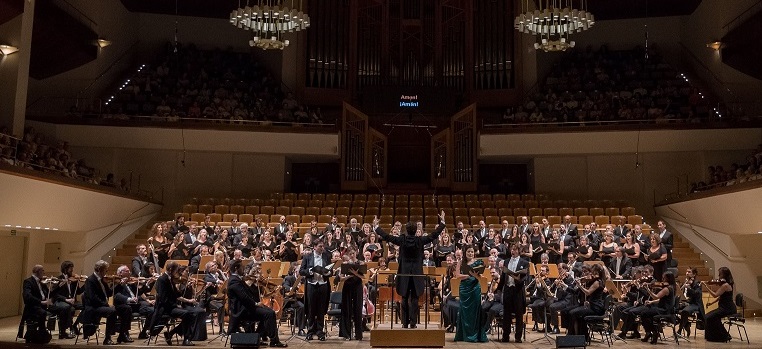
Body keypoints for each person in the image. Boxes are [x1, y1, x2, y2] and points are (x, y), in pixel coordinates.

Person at [374, 211, 446, 329]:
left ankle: (404, 323)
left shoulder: (402, 240)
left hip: (404, 273)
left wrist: (376, 227)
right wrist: (442, 223)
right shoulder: (420, 240)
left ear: (406, 230)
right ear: (415, 230)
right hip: (417, 274)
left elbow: (387, 236)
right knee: (415, 298)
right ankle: (413, 323)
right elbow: (434, 235)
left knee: (404, 297)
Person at [227, 260, 288, 347]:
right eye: (242, 267)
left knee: (269, 311)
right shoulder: (234, 280)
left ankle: (256, 337)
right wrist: (255, 304)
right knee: (269, 314)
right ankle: (274, 341)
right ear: (236, 268)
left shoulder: (237, 279)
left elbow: (247, 294)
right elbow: (244, 297)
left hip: (246, 308)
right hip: (242, 311)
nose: (243, 269)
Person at [147, 260, 200, 346]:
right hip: (164, 308)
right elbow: (163, 299)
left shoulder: (169, 279)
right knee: (188, 314)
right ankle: (185, 338)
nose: (177, 273)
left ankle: (172, 333)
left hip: (170, 307)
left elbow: (176, 294)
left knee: (191, 314)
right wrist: (176, 305)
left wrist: (188, 298)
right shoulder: (162, 279)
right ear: (171, 269)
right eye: (176, 270)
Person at [81, 260, 132, 344]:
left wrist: (120, 285)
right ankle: (107, 338)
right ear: (100, 270)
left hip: (103, 305)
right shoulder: (90, 280)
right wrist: (106, 305)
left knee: (126, 308)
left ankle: (122, 334)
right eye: (105, 270)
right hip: (94, 307)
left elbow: (109, 293)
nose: (106, 272)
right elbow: (93, 298)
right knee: (112, 311)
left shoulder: (102, 280)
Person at [299, 239, 333, 341]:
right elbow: (301, 271)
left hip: (323, 285)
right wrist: (310, 271)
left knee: (321, 309)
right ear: (314, 247)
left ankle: (320, 332)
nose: (322, 248)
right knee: (311, 309)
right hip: (311, 285)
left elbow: (330, 271)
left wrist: (328, 273)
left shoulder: (326, 256)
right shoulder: (307, 257)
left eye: (323, 246)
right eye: (320, 246)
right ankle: (310, 331)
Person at [453, 245, 488, 342]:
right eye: (468, 251)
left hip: (475, 289)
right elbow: (457, 275)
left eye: (472, 252)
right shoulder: (461, 262)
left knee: (475, 312)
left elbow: (480, 278)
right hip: (464, 289)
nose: (470, 253)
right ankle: (464, 335)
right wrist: (469, 275)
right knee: (464, 312)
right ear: (465, 252)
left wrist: (475, 275)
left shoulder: (479, 262)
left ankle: (475, 335)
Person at [498, 243, 530, 343]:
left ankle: (518, 337)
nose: (513, 251)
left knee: (519, 315)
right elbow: (503, 277)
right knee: (506, 314)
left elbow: (525, 278)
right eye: (512, 249)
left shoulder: (524, 262)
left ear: (519, 251)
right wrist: (499, 289)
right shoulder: (506, 261)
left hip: (518, 291)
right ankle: (505, 336)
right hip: (508, 290)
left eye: (515, 250)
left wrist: (517, 278)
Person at [113, 265, 153, 340]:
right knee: (127, 309)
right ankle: (124, 333)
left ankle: (144, 332)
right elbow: (117, 296)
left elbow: (140, 292)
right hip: (124, 304)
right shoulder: (116, 283)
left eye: (129, 271)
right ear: (120, 273)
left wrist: (147, 284)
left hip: (135, 305)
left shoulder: (131, 283)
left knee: (152, 310)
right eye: (127, 271)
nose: (129, 272)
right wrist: (129, 299)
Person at [639, 271, 676, 344]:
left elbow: (655, 297)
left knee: (643, 313)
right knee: (647, 313)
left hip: (663, 310)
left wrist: (647, 289)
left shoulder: (667, 289)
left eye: (664, 278)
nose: (662, 279)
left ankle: (653, 332)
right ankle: (650, 332)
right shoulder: (672, 287)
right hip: (664, 308)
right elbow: (662, 299)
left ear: (668, 279)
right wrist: (651, 302)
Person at [51, 261, 84, 338]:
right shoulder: (58, 279)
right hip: (61, 301)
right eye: (70, 269)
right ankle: (64, 331)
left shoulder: (73, 280)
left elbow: (78, 292)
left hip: (72, 301)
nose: (72, 270)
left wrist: (86, 284)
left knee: (86, 306)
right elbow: (55, 294)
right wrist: (66, 299)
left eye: (72, 268)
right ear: (65, 269)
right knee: (70, 308)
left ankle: (75, 325)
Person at [702, 266, 736, 342]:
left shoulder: (725, 285)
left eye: (720, 274)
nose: (718, 276)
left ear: (724, 275)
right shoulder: (726, 284)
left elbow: (715, 295)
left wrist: (706, 287)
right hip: (723, 307)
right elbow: (721, 297)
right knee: (708, 316)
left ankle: (722, 336)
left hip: (727, 308)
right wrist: (711, 303)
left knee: (710, 317)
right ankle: (719, 336)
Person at [338, 247, 364, 340]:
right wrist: (349, 275)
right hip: (347, 287)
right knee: (346, 309)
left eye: (353, 253)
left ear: (356, 253)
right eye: (350, 254)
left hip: (357, 287)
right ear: (348, 255)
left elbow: (363, 277)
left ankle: (358, 335)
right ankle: (346, 334)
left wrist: (355, 274)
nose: (352, 255)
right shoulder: (345, 264)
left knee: (358, 309)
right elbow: (341, 279)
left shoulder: (360, 263)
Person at [677, 267, 704, 336]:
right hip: (685, 302)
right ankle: (686, 325)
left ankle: (679, 331)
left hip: (694, 304)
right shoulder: (685, 282)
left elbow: (696, 294)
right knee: (673, 310)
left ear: (694, 274)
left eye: (689, 272)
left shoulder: (697, 283)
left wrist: (689, 288)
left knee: (685, 311)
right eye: (686, 271)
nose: (687, 273)